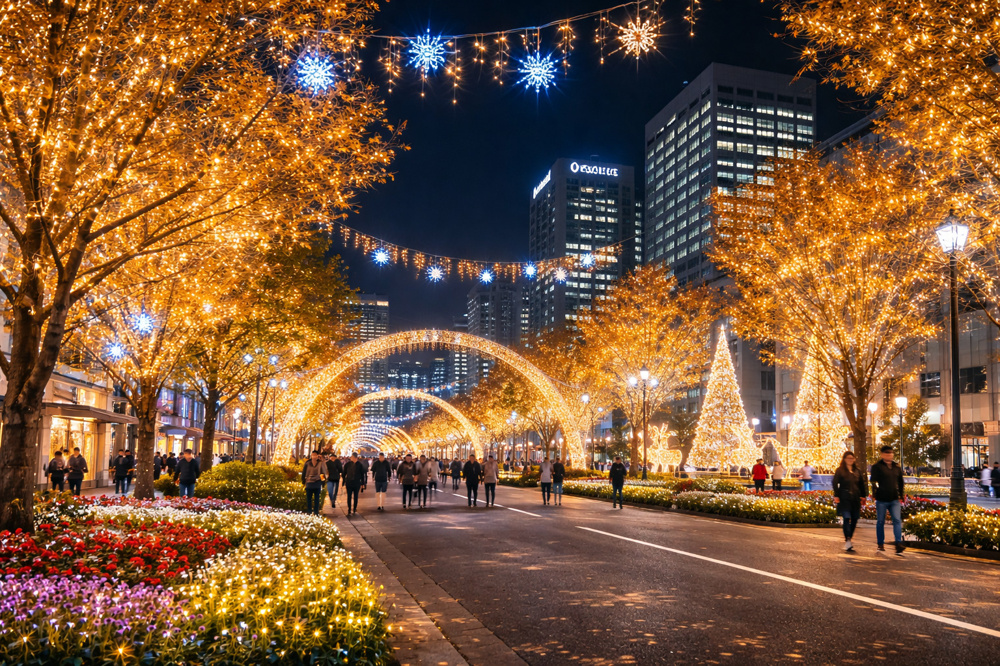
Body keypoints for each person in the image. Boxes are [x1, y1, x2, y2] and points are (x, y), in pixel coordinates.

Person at [870, 445, 906, 555]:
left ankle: (898, 543)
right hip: (881, 498)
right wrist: (875, 493)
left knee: (897, 520)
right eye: (886, 453)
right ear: (882, 454)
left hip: (894, 498)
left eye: (890, 453)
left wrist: (901, 494)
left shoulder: (896, 467)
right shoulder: (877, 467)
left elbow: (900, 482)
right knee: (880, 521)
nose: (888, 455)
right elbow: (873, 481)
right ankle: (880, 543)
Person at [832, 451, 868, 552]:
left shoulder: (857, 471)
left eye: (852, 458)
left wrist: (863, 496)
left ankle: (849, 537)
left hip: (855, 498)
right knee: (847, 518)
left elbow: (862, 484)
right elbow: (835, 483)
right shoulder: (840, 470)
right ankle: (848, 539)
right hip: (844, 497)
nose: (850, 460)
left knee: (855, 519)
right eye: (848, 458)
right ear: (844, 459)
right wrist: (836, 495)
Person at [301, 450, 328, 516]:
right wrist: (303, 481)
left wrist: (322, 482)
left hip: (317, 483)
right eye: (312, 455)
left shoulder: (320, 463)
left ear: (318, 456)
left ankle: (316, 512)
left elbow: (323, 472)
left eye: (315, 455)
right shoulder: (307, 463)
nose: (313, 456)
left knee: (316, 499)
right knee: (309, 499)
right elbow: (304, 473)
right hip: (309, 483)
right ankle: (309, 511)